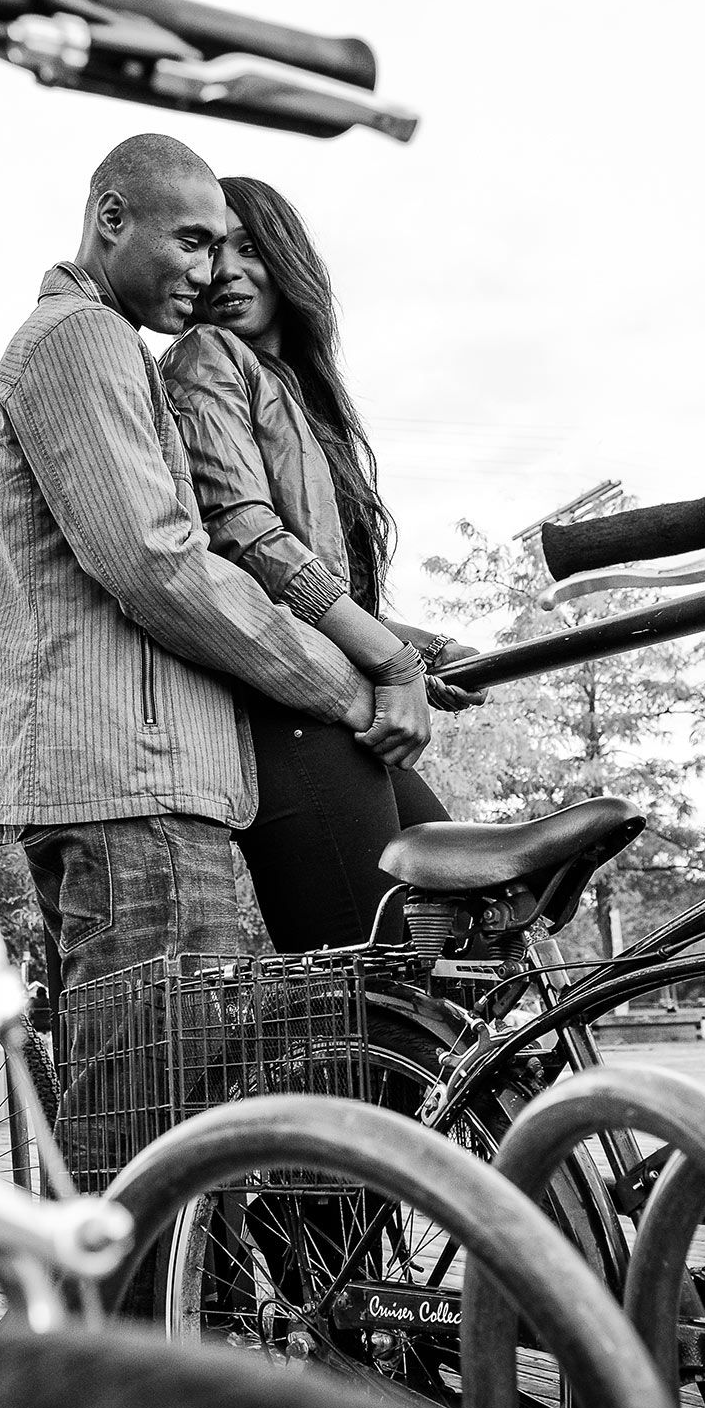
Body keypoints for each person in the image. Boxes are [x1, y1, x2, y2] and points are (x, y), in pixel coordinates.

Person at [0, 134, 429, 1000]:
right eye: (194, 241)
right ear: (111, 218)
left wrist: (409, 649)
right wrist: (348, 679)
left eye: (222, 247)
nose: (210, 271)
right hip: (129, 774)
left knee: (179, 1060)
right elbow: (162, 564)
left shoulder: (105, 343)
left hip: (145, 770)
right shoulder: (84, 339)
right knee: (159, 1068)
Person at [160, 177, 482, 951]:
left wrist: (427, 647)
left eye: (250, 247)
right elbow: (249, 540)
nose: (227, 270)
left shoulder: (301, 393)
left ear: (287, 258)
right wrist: (395, 662)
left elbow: (321, 582)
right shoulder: (207, 357)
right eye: (212, 250)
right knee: (373, 976)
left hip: (335, 703)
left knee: (471, 931)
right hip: (287, 711)